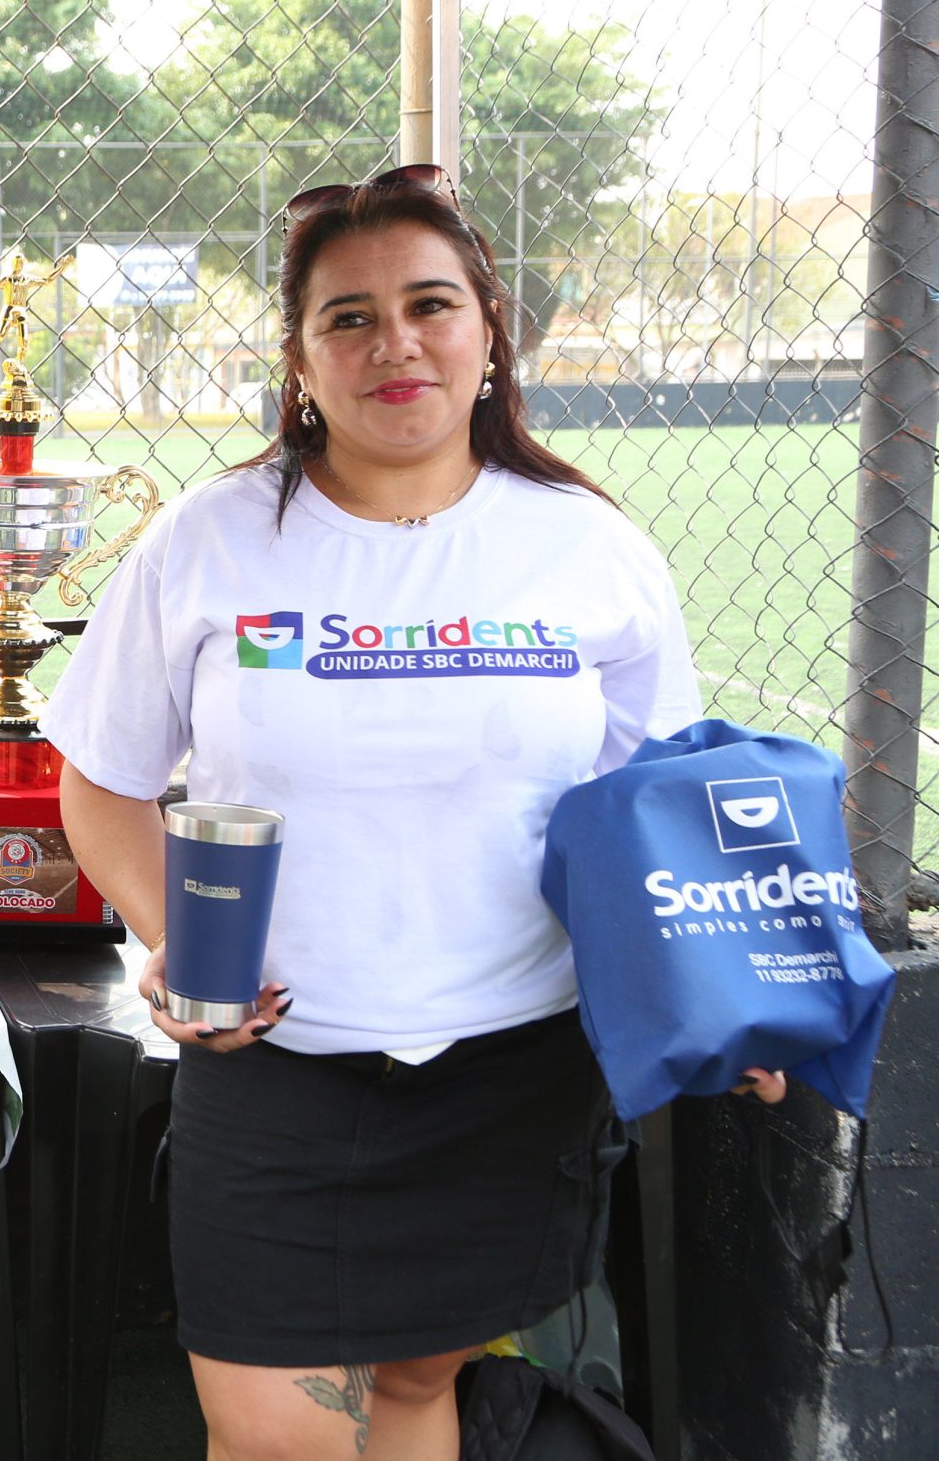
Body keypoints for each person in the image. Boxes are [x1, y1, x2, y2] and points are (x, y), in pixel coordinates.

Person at [45, 165, 783, 1461]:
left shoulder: (586, 547)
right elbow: (100, 785)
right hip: (271, 1069)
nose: (395, 341)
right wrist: (181, 941)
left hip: (509, 1066)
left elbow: (659, 803)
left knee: (412, 1386)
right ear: (298, 359)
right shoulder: (209, 542)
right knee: (277, 1434)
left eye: (430, 304)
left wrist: (723, 991)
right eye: (349, 315)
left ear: (488, 333)